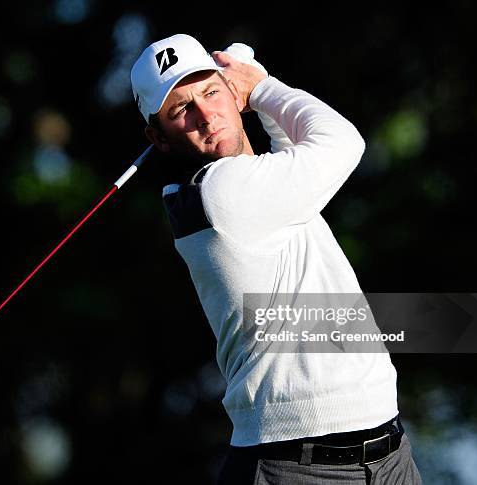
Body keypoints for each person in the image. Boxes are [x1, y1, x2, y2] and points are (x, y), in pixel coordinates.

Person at [130, 34, 422, 484]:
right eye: (181, 110)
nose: (207, 116)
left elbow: (293, 149)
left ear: (230, 94)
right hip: (296, 467)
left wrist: (254, 93)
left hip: (389, 457)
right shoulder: (222, 194)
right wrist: (262, 87)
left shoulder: (259, 187)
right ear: (158, 138)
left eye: (211, 92)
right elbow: (342, 143)